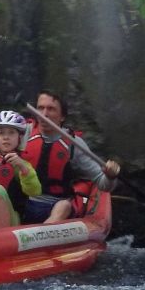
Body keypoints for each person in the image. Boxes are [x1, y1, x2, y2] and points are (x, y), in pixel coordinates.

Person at [22, 89, 121, 224]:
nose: (44, 114)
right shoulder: (22, 132)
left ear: (62, 116)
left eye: (51, 109)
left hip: (56, 207)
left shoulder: (74, 144)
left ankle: (41, 235)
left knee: (64, 206)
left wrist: (110, 176)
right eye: (40, 108)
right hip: (24, 203)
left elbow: (103, 184)